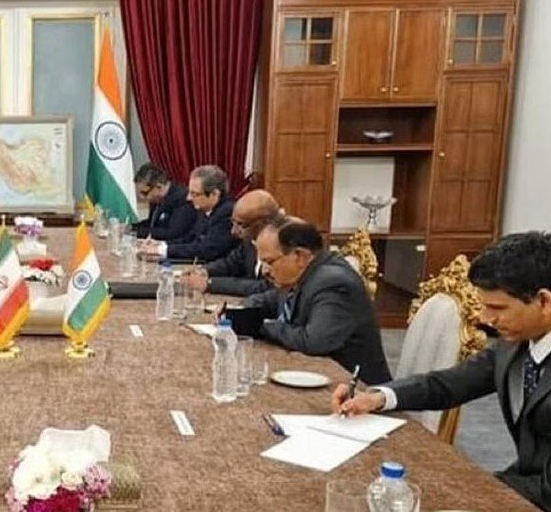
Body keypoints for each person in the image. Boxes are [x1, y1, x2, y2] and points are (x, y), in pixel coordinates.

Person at [333, 232, 551, 509]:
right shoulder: (518, 342)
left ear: (544, 301)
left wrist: (461, 489)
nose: (485, 318)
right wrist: (379, 397)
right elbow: (449, 383)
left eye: (497, 308)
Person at [244, 218, 391, 385]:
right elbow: (268, 300)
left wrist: (260, 325)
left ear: (300, 256)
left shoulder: (333, 283)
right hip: (314, 376)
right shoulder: (303, 274)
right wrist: (244, 313)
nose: (264, 271)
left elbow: (314, 342)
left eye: (269, 262)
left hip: (355, 389)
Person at [183, 189, 280, 296]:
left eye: (240, 225)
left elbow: (266, 287)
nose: (233, 231)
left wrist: (210, 283)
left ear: (264, 223)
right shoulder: (249, 241)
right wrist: (203, 271)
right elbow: (231, 263)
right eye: (233, 223)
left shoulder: (282, 244)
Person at [138, 165, 237, 262]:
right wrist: (162, 244)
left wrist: (162, 250)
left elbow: (207, 249)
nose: (188, 198)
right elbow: (190, 239)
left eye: (194, 194)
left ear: (214, 194)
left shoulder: (227, 212)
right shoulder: (203, 211)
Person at [130, 162, 194, 241]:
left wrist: (135, 232)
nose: (142, 197)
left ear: (159, 187)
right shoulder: (156, 200)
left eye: (145, 193)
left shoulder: (182, 198)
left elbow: (172, 233)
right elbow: (153, 224)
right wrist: (130, 227)